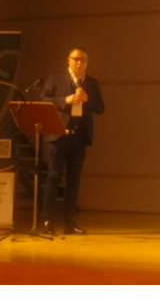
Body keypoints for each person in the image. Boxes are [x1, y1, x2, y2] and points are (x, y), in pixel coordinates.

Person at [41, 47, 105, 236]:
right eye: (76, 59)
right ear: (68, 60)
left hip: (79, 136)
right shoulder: (55, 79)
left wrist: (87, 100)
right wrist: (65, 100)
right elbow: (44, 99)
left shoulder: (91, 83)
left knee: (74, 179)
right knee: (53, 176)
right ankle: (46, 221)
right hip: (58, 134)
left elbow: (100, 108)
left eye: (83, 60)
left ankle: (69, 223)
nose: (79, 63)